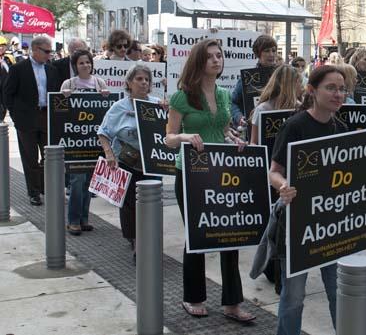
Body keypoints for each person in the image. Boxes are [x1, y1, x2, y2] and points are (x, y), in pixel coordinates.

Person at [164, 39, 254, 322]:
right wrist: (185, 137)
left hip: (221, 171)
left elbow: (224, 129)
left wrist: (235, 139)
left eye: (220, 56)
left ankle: (232, 303)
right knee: (197, 234)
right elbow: (168, 139)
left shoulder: (225, 95)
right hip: (190, 172)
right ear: (198, 62)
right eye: (210, 56)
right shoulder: (182, 97)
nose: (217, 60)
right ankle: (193, 297)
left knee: (230, 232)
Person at [268, 66, 349, 335]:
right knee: (293, 298)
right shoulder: (295, 126)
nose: (338, 94)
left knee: (339, 294)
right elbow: (274, 172)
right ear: (312, 91)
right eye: (331, 88)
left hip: (332, 225)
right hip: (297, 225)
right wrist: (284, 187)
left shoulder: (342, 128)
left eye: (342, 88)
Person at [97, 64, 160, 260]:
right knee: (130, 204)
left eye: (147, 80)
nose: (143, 83)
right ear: (129, 83)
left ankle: (148, 240)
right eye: (139, 79)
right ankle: (135, 242)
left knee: (150, 205)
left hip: (151, 162)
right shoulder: (119, 107)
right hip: (126, 161)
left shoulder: (156, 104)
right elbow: (103, 132)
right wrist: (109, 154)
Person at [4, 36, 60, 205]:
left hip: (46, 117)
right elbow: (7, 94)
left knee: (48, 156)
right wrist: (15, 115)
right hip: (26, 119)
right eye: (46, 51)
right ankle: (33, 192)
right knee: (29, 157)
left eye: (51, 52)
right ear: (35, 50)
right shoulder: (18, 69)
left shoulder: (51, 70)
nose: (49, 55)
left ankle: (44, 187)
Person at [60, 50, 109, 235]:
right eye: (81, 63)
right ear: (75, 66)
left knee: (89, 182)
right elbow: (60, 111)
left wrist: (105, 96)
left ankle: (84, 218)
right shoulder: (69, 83)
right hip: (75, 143)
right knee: (76, 181)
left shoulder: (99, 82)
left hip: (94, 142)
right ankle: (73, 220)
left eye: (88, 62)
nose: (86, 66)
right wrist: (64, 96)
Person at [231, 35, 278, 127]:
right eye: (267, 51)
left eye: (273, 50)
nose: (271, 54)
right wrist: (239, 117)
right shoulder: (248, 77)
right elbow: (233, 102)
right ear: (258, 54)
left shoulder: (282, 75)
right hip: (254, 130)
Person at [249, 64, 303, 145]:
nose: (302, 86)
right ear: (290, 85)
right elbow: (253, 142)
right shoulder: (262, 109)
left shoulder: (300, 108)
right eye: (300, 82)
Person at [0, 36, 16, 121]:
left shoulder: (8, 59)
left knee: (4, 109)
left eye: (3, 45)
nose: (1, 47)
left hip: (6, 89)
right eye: (0, 45)